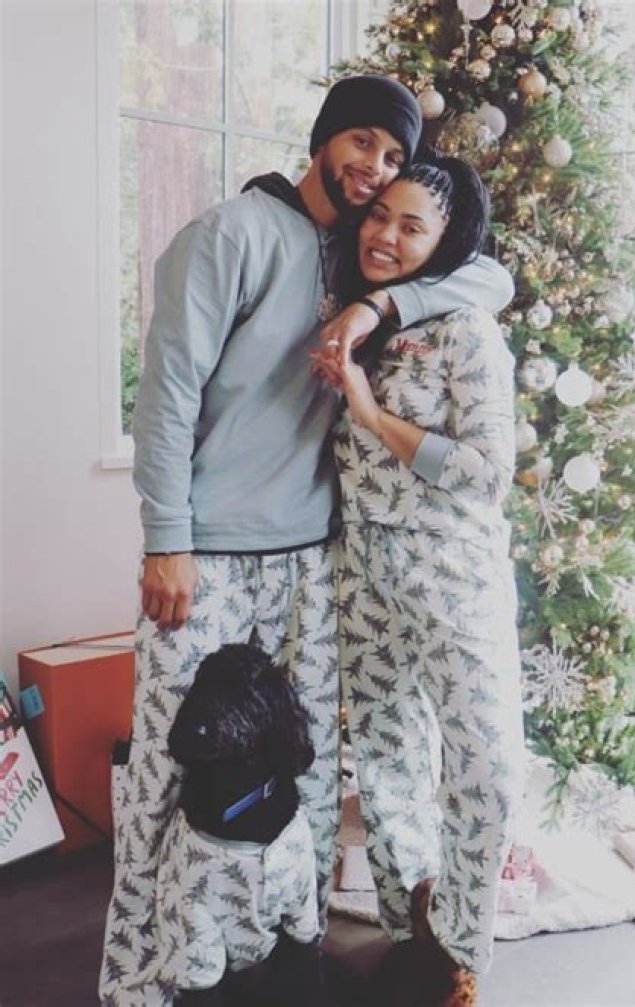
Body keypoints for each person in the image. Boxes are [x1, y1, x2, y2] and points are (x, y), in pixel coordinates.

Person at [100, 74, 515, 1006]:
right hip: (208, 553)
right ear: (324, 139)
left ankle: (294, 947)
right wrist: (166, 537)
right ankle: (134, 977)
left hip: (315, 558)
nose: (375, 167)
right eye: (362, 141)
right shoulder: (231, 234)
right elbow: (165, 394)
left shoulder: (364, 255)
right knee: (167, 764)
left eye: (394, 155)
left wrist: (375, 308)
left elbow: (492, 273)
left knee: (311, 768)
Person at [317, 156, 526, 1006]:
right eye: (381, 216)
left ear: (446, 243)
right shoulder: (347, 315)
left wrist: (371, 415)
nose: (386, 235)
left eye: (412, 227)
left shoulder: (467, 329)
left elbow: (486, 472)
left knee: (486, 763)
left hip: (454, 575)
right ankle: (417, 935)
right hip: (363, 574)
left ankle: (465, 941)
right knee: (388, 760)